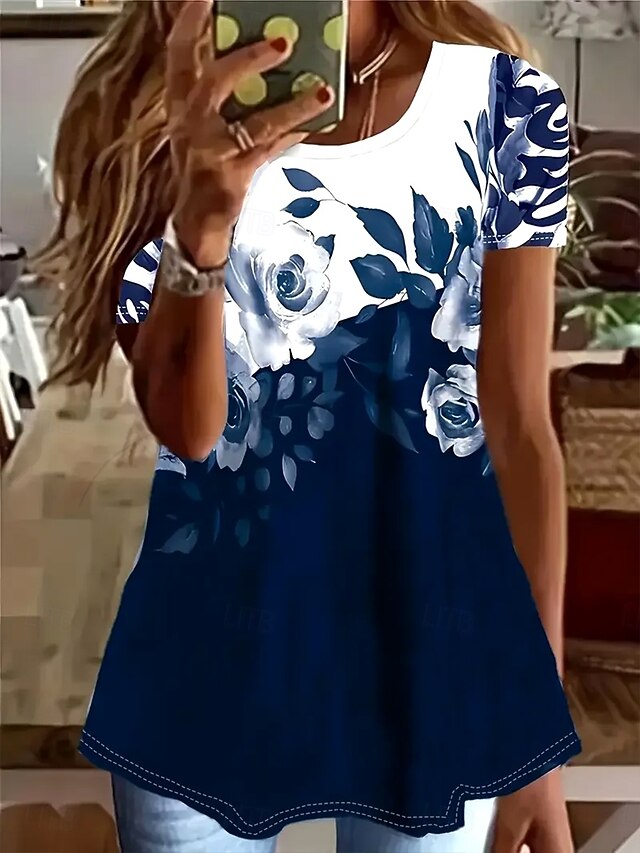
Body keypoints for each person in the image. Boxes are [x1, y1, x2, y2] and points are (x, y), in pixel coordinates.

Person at [36, 0, 581, 850]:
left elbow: (517, 427)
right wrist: (203, 222)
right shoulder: (147, 110)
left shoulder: (506, 102)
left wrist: (533, 731)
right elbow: (190, 429)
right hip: (209, 661)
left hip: (435, 658)